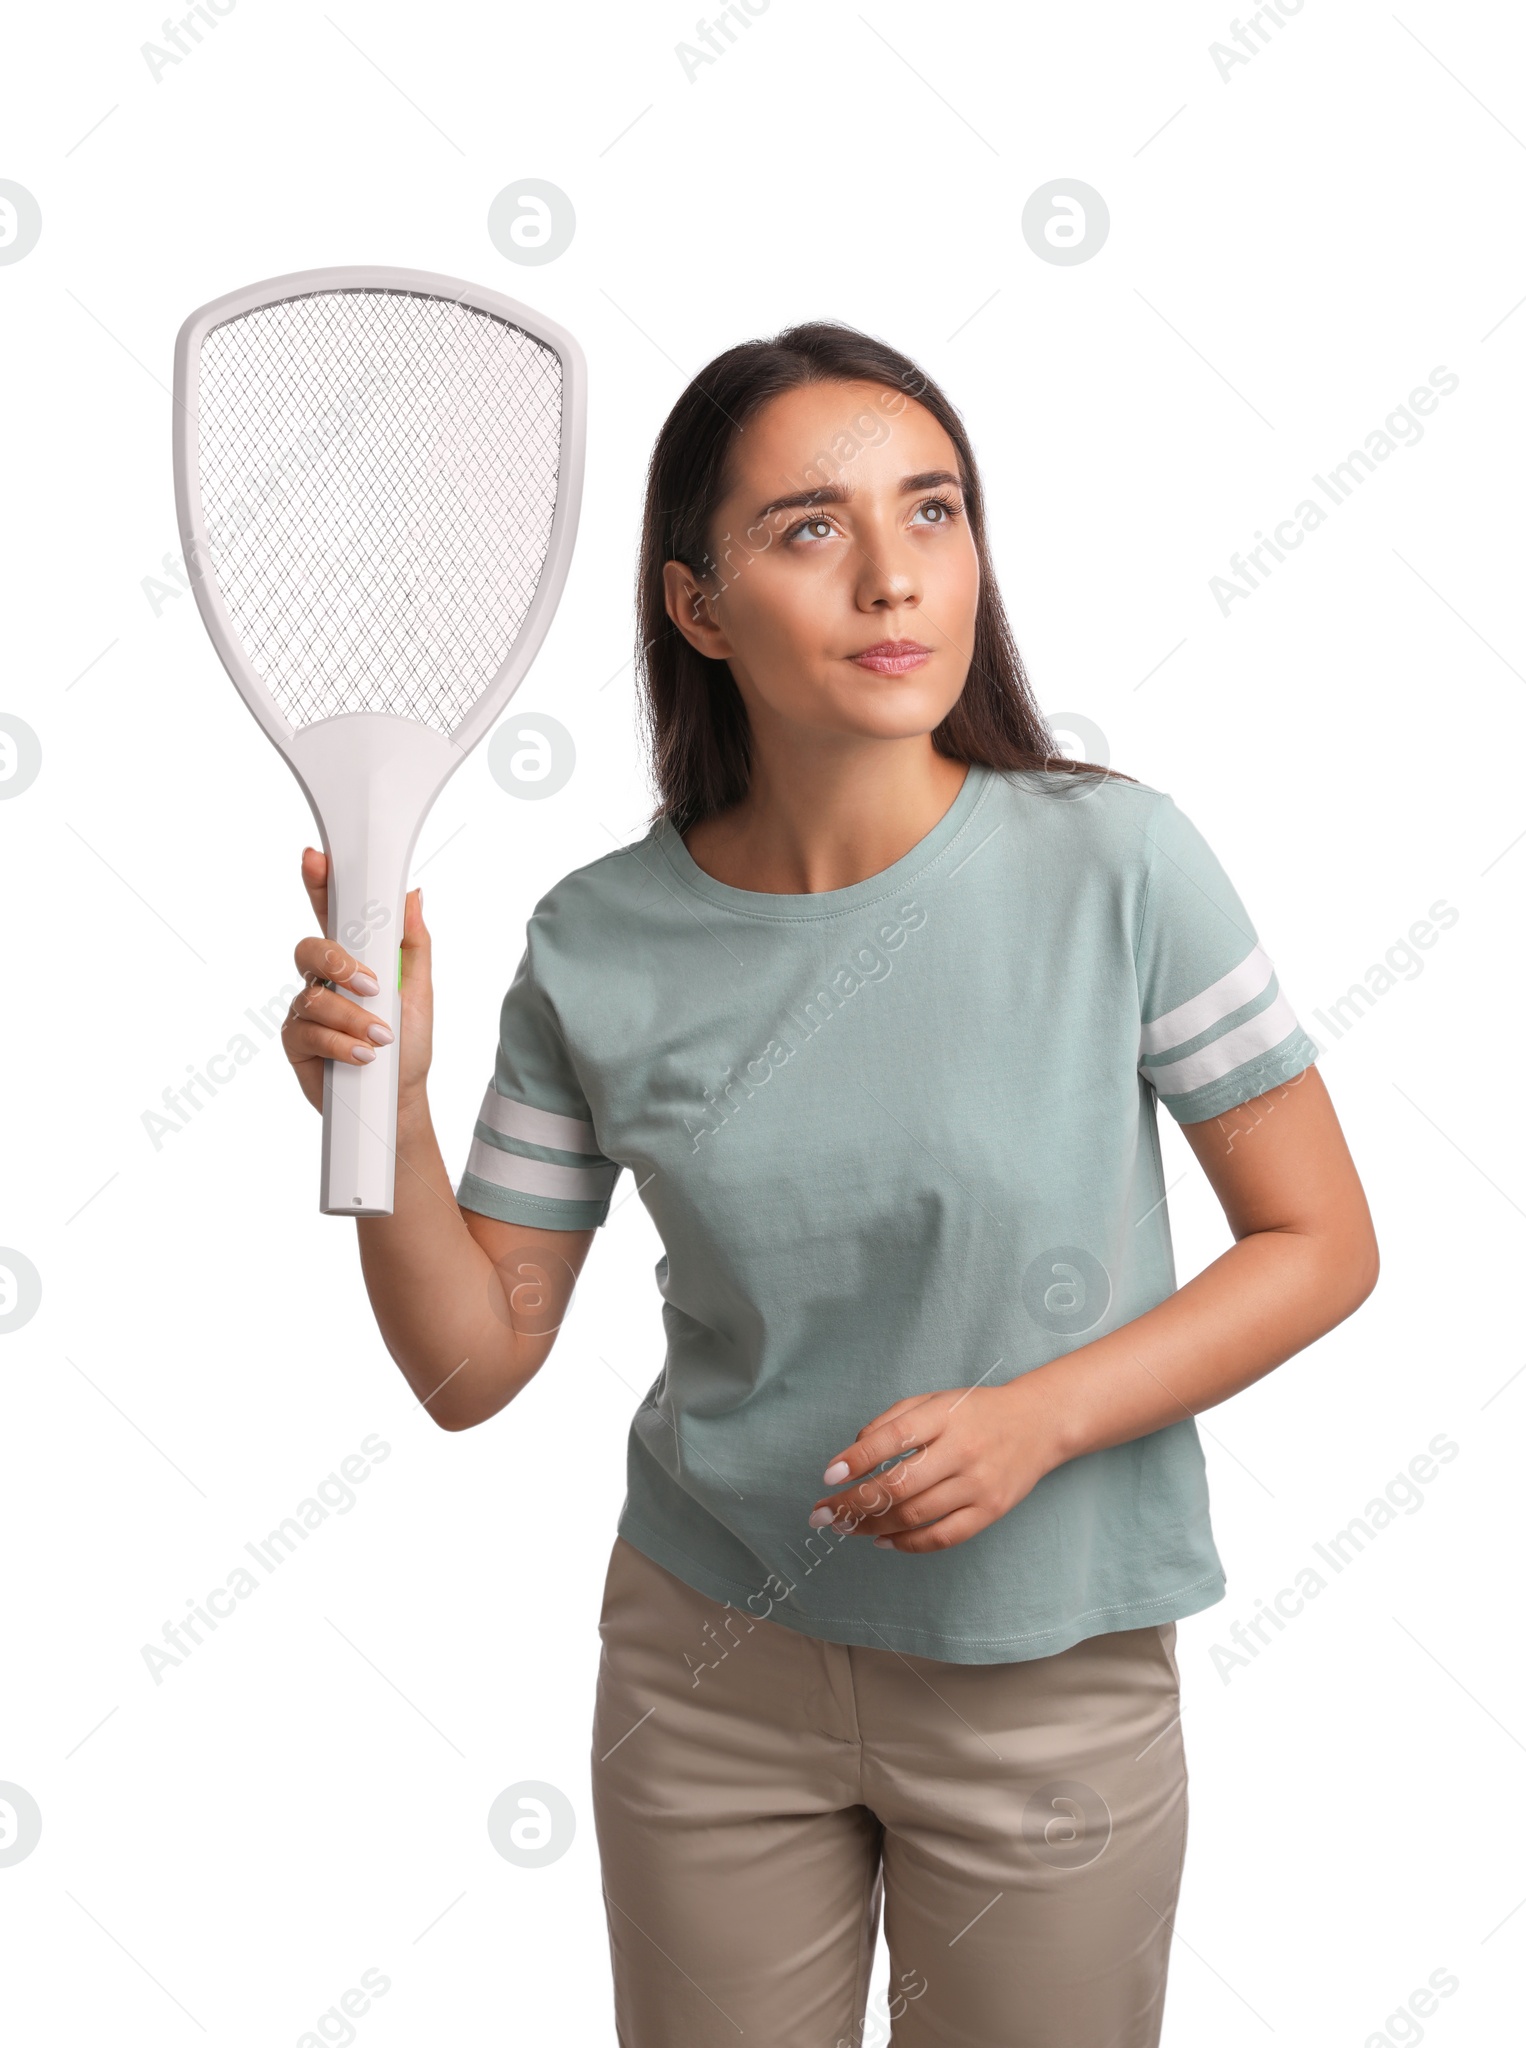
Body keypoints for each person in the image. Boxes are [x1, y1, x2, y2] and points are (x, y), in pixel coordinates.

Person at [280, 322, 1379, 2047]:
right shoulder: (593, 942)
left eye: (932, 511)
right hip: (706, 1669)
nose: (892, 577)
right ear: (698, 607)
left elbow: (1320, 1243)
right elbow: (468, 1368)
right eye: (810, 528)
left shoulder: (1121, 864)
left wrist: (1043, 1421)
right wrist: (394, 1112)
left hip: (1048, 1679)